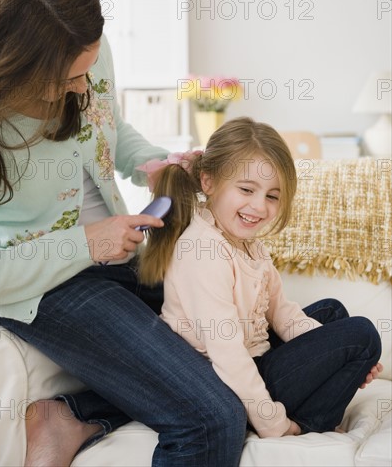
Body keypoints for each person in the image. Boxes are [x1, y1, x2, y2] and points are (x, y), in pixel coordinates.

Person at [0, 0, 248, 466]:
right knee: (212, 419)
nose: (85, 86)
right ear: (18, 69)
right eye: (69, 78)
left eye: (90, 69)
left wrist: (155, 163)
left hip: (122, 258)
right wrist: (85, 243)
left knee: (251, 343)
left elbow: (111, 129)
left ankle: (74, 414)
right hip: (45, 288)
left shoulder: (86, 55)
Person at [138, 117, 383, 437]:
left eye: (272, 196)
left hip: (255, 359)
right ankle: (307, 423)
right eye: (246, 189)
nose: (259, 206)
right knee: (363, 334)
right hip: (224, 382)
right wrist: (274, 423)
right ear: (208, 182)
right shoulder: (202, 252)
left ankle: (328, 381)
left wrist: (337, 357)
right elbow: (228, 356)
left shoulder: (248, 245)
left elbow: (282, 312)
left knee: (332, 314)